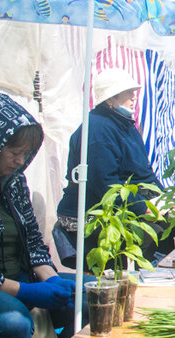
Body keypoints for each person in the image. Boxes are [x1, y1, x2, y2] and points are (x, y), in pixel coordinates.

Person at [0, 93, 76, 338]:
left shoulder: (14, 182)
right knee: (12, 323)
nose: (20, 161)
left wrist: (52, 282)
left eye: (26, 153)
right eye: (14, 152)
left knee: (89, 296)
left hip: (18, 278)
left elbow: (33, 242)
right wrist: (28, 291)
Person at [54, 69, 161, 268]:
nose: (133, 96)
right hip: (89, 214)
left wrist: (163, 200)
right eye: (127, 91)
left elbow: (143, 173)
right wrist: (144, 208)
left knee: (165, 231)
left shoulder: (124, 125)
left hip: (116, 205)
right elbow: (105, 184)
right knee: (152, 235)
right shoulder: (98, 130)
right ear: (111, 99)